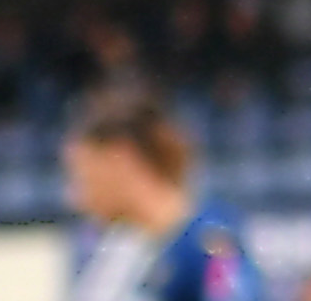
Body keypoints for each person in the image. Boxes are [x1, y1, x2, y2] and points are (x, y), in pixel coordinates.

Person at [62, 83, 269, 301]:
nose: (76, 199)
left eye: (83, 179)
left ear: (120, 160)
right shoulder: (115, 255)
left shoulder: (207, 242)